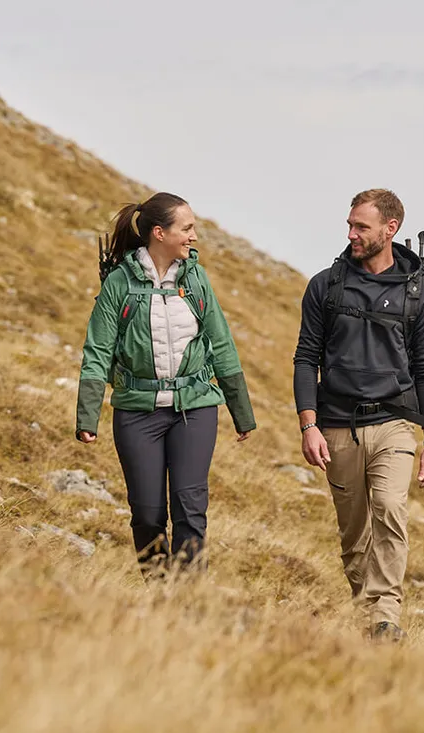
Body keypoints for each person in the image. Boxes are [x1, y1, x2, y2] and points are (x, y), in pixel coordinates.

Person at [75, 191, 256, 578]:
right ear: (160, 233)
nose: (193, 236)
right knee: (147, 512)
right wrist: (87, 417)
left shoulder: (196, 279)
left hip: (196, 407)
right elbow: (98, 350)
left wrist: (241, 413)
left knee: (190, 505)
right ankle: (158, 591)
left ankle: (186, 598)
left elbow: (221, 342)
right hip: (136, 411)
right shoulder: (119, 284)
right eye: (186, 228)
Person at [292, 188, 424, 642]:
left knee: (390, 507)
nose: (351, 234)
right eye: (350, 225)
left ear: (389, 229)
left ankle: (387, 616)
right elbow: (305, 358)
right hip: (337, 426)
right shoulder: (326, 285)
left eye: (361, 226)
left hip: (395, 423)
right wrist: (309, 424)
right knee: (354, 533)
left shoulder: (419, 296)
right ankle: (369, 619)